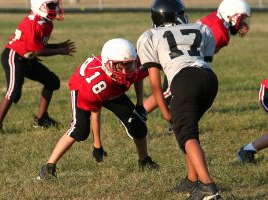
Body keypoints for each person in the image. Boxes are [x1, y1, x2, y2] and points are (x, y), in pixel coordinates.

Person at [37, 38, 159, 180]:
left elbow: (137, 77)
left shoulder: (133, 63)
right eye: (120, 66)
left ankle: (144, 161)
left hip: (112, 87)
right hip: (82, 86)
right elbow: (96, 112)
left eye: (129, 65)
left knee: (137, 124)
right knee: (80, 130)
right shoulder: (95, 85)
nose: (125, 72)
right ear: (108, 64)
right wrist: (97, 146)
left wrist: (139, 105)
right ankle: (48, 167)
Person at [137, 0, 220, 199]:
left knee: (186, 134)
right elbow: (204, 60)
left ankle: (208, 187)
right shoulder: (202, 28)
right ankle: (192, 180)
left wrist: (166, 112)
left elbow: (155, 84)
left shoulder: (149, 36)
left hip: (184, 80)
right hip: (209, 79)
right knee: (186, 130)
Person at [143, 0, 251, 130]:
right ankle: (139, 114)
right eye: (241, 18)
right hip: (181, 59)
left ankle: (177, 122)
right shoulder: (220, 32)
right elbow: (204, 54)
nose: (243, 23)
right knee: (168, 93)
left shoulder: (217, 19)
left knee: (173, 93)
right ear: (230, 15)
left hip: (179, 54)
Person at [0, 0, 76, 146]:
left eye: (55, 5)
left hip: (27, 57)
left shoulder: (46, 22)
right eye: (51, 5)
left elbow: (38, 46)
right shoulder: (34, 21)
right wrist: (59, 50)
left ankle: (41, 119)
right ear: (40, 6)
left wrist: (58, 45)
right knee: (14, 92)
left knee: (52, 82)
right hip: (14, 56)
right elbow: (37, 50)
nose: (55, 8)